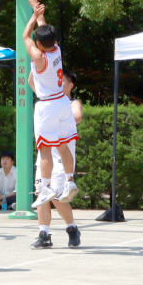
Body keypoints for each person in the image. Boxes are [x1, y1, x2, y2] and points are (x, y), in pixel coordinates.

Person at [23, 2, 78, 208]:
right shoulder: (56, 49)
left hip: (47, 105)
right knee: (62, 144)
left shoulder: (39, 57)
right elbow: (42, 27)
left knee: (45, 148)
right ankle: (70, 181)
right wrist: (38, 11)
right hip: (62, 102)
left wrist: (32, 16)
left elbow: (25, 36)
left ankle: (46, 187)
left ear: (39, 43)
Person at [32, 70, 83, 248]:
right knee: (43, 194)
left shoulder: (72, 103)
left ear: (71, 85)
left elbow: (77, 117)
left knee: (56, 197)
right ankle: (44, 234)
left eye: (62, 81)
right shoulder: (47, 101)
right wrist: (33, 63)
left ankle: (72, 228)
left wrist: (58, 114)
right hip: (45, 158)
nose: (58, 84)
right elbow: (32, 82)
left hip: (62, 158)